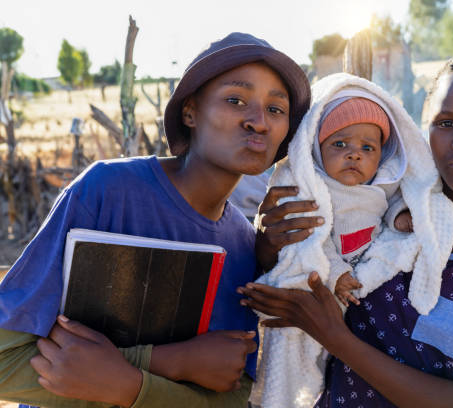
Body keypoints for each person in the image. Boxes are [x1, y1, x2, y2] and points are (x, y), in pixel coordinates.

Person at [0, 32, 310, 407]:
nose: (259, 122)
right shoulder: (108, 192)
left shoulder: (244, 248)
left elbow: (228, 397)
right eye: (235, 100)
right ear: (189, 112)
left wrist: (127, 382)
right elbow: (6, 364)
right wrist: (164, 364)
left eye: (276, 109)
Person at [239, 53, 453, 407]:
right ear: (423, 127)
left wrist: (335, 337)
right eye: (446, 123)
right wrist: (270, 248)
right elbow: (293, 280)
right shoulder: (369, 204)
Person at [251, 74, 453, 408]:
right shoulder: (315, 189)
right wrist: (334, 275)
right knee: (300, 359)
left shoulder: (383, 183)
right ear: (316, 151)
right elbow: (314, 243)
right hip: (327, 281)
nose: (354, 156)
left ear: (382, 155)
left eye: (367, 148)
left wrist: (401, 219)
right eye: (339, 144)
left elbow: (399, 202)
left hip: (366, 276)